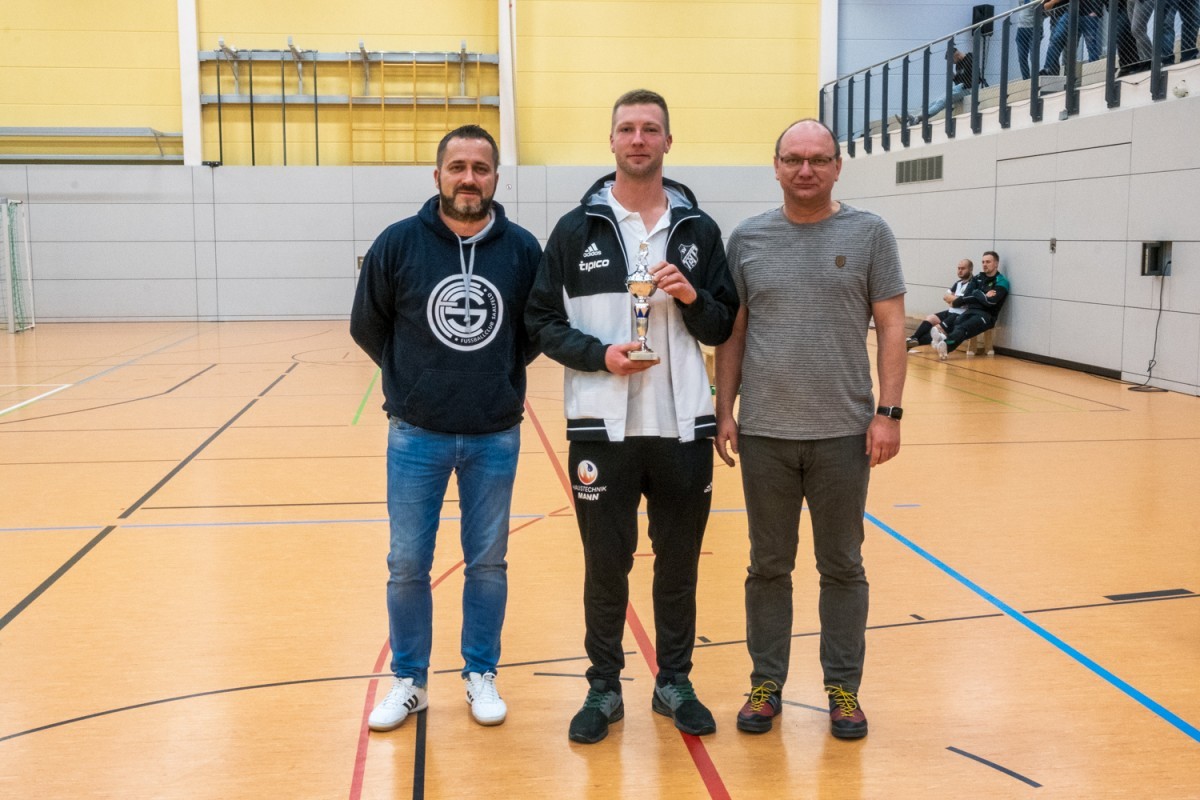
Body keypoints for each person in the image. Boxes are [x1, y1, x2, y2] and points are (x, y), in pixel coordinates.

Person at [525, 89, 739, 745]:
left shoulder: (698, 231)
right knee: (604, 564)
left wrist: (692, 295)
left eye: (651, 129)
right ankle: (603, 688)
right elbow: (540, 322)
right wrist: (601, 357)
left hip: (682, 429)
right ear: (611, 141)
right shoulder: (573, 231)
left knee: (678, 565)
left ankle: (673, 680)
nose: (639, 139)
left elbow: (723, 322)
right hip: (601, 428)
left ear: (668, 143)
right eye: (627, 128)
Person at [715, 119, 907, 740]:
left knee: (842, 566)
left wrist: (889, 412)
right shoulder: (747, 239)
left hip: (843, 434)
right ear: (775, 166)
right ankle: (765, 682)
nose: (806, 170)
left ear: (837, 166)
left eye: (818, 160)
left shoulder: (870, 234)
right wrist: (725, 411)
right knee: (768, 566)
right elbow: (734, 334)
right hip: (767, 432)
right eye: (794, 159)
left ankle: (842, 690)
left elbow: (893, 327)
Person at [350, 125, 543, 732]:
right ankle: (409, 680)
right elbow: (368, 325)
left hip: (494, 432)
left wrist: (496, 380)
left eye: (480, 168)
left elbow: (534, 332)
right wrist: (414, 378)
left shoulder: (522, 249)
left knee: (487, 563)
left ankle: (479, 672)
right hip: (416, 433)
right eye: (456, 166)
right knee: (407, 563)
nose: (468, 178)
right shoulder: (398, 244)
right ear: (437, 176)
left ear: (494, 178)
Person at [929, 250, 1011, 360]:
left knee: (964, 327)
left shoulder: (1001, 281)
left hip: (986, 315)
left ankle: (946, 345)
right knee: (957, 322)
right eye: (983, 262)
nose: (984, 265)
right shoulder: (977, 278)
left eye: (988, 262)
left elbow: (991, 302)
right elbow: (964, 298)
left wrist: (977, 293)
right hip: (970, 311)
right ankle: (942, 340)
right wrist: (983, 295)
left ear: (996, 264)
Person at [907, 258, 973, 350]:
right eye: (958, 268)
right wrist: (956, 300)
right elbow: (946, 297)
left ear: (970, 269)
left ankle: (913, 344)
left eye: (963, 268)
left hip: (960, 314)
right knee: (931, 318)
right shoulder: (958, 283)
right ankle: (913, 338)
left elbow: (965, 301)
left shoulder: (973, 284)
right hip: (951, 311)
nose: (960, 271)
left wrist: (954, 300)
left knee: (937, 330)